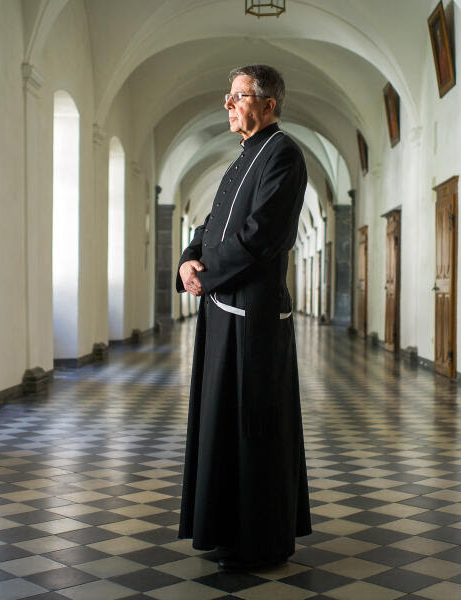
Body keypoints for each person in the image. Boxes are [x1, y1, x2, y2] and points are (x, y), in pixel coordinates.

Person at [176, 64, 312, 572]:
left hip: (253, 317)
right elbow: (213, 225)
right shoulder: (243, 157)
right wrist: (189, 259)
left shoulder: (283, 154)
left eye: (238, 96)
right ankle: (224, 531)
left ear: (269, 103)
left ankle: (259, 540)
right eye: (229, 96)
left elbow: (262, 236)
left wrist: (205, 275)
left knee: (252, 425)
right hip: (222, 311)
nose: (228, 105)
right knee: (220, 423)